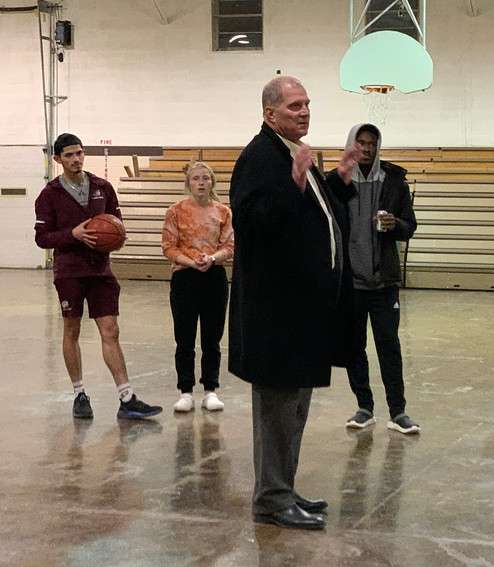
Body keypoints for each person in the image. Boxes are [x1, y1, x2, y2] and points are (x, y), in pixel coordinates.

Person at [228, 76, 360, 530]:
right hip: (275, 317)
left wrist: (337, 183)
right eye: (293, 106)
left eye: (307, 103)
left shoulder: (291, 154)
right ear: (270, 114)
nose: (304, 111)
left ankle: (283, 489)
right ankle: (271, 500)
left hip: (301, 315)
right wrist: (296, 183)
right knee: (278, 411)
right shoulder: (259, 158)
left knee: (294, 409)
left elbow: (313, 216)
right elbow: (253, 223)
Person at [34, 133, 163, 420]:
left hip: (100, 270)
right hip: (69, 271)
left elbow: (116, 225)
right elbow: (42, 238)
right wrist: (73, 234)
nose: (76, 158)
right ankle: (80, 393)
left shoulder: (103, 187)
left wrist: (116, 238)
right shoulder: (49, 194)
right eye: (69, 155)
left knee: (111, 330)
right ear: (57, 159)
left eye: (79, 153)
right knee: (72, 330)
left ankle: (126, 398)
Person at [326, 123, 420, 434]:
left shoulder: (394, 180)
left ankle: (398, 411)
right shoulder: (334, 182)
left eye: (371, 143)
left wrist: (396, 224)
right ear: (350, 144)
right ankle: (364, 407)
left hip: (384, 283)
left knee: (389, 346)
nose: (366, 148)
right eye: (361, 142)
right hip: (350, 283)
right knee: (355, 347)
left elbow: (410, 225)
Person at [162, 161, 234, 413]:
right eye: (196, 178)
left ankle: (210, 389)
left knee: (212, 338)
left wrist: (212, 258)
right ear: (188, 183)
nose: (201, 182)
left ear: (212, 182)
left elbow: (229, 246)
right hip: (184, 277)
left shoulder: (223, 212)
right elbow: (169, 247)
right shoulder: (175, 211)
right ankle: (185, 390)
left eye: (205, 178)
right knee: (184, 337)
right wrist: (191, 262)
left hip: (213, 276)